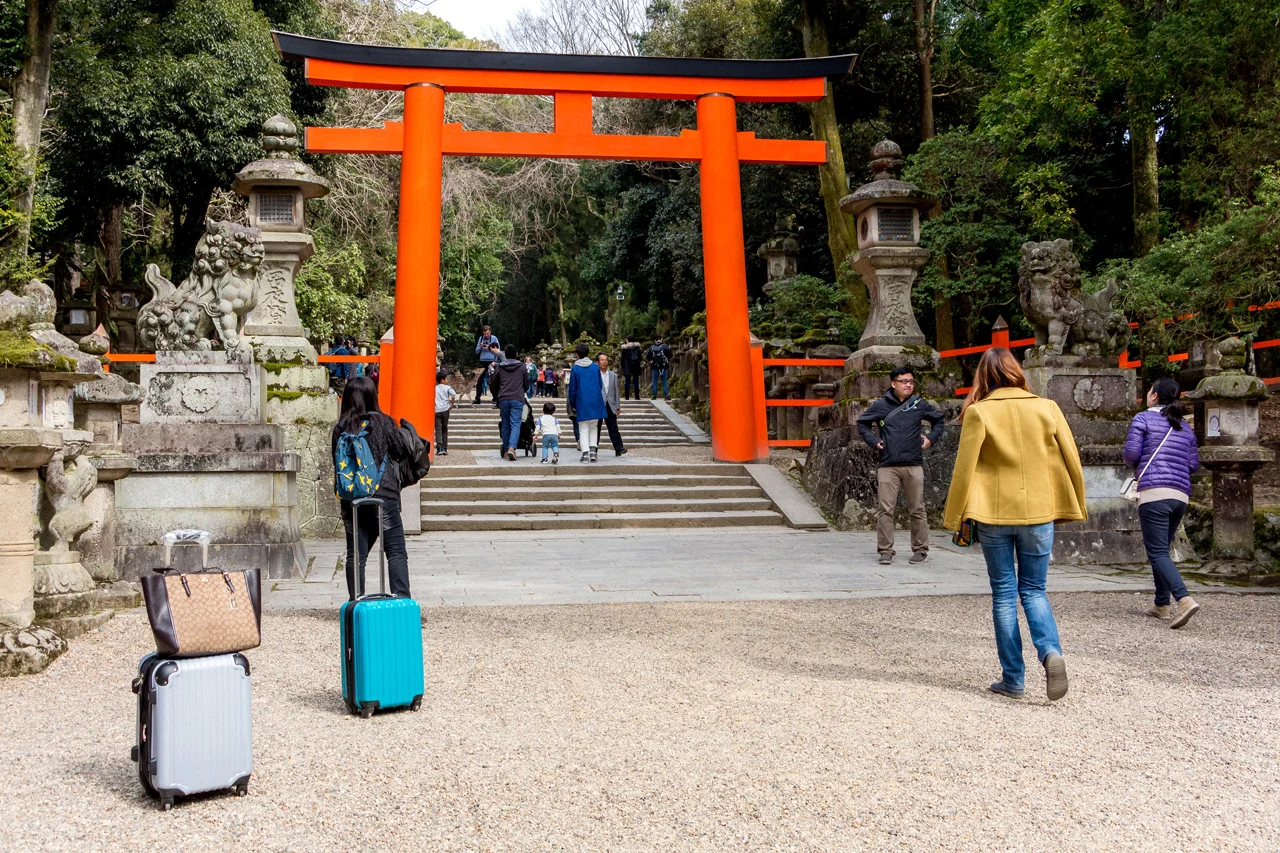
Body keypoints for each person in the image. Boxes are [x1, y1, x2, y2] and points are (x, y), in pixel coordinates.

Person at [943, 347, 1085, 702]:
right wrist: (1075, 502)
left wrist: (954, 516)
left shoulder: (979, 412)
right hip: (1039, 512)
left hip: (994, 513)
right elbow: (1071, 456)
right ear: (1015, 371)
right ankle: (1051, 652)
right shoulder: (1046, 407)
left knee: (1004, 594)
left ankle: (1013, 679)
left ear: (984, 377)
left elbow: (964, 469)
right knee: (1034, 589)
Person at [1124, 377, 1202, 629]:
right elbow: (1192, 464)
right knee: (1162, 550)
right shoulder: (1185, 427)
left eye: (1149, 390)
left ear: (1154, 396)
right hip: (1180, 495)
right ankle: (1161, 604)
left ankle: (1184, 599)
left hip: (1154, 493)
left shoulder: (1143, 419)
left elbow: (1131, 455)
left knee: (1157, 551)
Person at [331, 377, 412, 599]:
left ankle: (356, 603)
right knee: (395, 551)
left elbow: (338, 464)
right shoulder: (383, 422)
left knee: (355, 556)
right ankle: (401, 601)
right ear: (372, 396)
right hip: (384, 494)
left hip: (351, 499)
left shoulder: (340, 428)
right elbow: (398, 451)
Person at [856, 367, 945, 565]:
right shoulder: (880, 405)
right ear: (893, 383)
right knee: (885, 509)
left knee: (917, 509)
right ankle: (885, 550)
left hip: (914, 463)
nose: (908, 385)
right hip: (888, 464)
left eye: (911, 382)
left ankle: (920, 549)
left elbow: (939, 420)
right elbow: (862, 423)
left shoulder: (919, 405)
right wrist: (873, 440)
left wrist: (930, 438)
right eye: (904, 381)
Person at [566, 342, 606, 462]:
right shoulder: (595, 367)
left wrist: (572, 404)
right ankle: (593, 451)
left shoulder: (575, 369)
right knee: (594, 427)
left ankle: (585, 453)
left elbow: (572, 389)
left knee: (583, 428)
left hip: (581, 401)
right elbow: (600, 384)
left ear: (577, 354)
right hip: (595, 400)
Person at [491, 344, 528, 461]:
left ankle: (507, 449)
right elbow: (526, 383)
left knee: (505, 423)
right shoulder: (522, 367)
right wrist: (522, 391)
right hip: (517, 398)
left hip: (503, 398)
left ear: (505, 355)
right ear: (516, 355)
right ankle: (512, 447)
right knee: (516, 423)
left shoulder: (500, 367)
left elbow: (493, 383)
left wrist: (496, 395)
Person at [598, 353, 627, 456]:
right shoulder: (595, 375)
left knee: (613, 427)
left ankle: (619, 448)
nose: (604, 362)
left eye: (606, 360)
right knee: (597, 427)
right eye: (602, 360)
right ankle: (594, 448)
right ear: (598, 362)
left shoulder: (613, 375)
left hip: (610, 404)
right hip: (599, 404)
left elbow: (616, 391)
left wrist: (618, 406)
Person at [433, 370, 457, 457]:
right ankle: (445, 448)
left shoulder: (434, 388)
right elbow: (453, 395)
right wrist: (451, 404)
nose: (447, 380)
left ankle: (439, 448)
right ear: (442, 380)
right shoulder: (447, 388)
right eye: (446, 379)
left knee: (438, 429)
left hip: (436, 410)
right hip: (445, 410)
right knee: (444, 429)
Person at [474, 325, 500, 403]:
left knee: (493, 379)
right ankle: (477, 398)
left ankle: (495, 397)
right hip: (482, 361)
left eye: (487, 333)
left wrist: (489, 347)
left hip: (491, 361)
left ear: (490, 332)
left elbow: (498, 350)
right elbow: (476, 351)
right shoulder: (481, 338)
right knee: (479, 380)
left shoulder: (494, 338)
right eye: (484, 334)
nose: (486, 335)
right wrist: (481, 346)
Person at [647, 335, 673, 400]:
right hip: (664, 366)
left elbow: (648, 357)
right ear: (661, 339)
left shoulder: (651, 347)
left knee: (655, 380)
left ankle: (654, 395)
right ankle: (666, 395)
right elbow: (670, 355)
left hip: (655, 366)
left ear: (655, 340)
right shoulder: (665, 346)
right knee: (664, 380)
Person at [619, 336, 643, 400]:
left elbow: (622, 359)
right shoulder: (638, 348)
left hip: (627, 366)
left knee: (627, 381)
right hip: (636, 365)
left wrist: (622, 366)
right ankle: (637, 396)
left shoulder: (624, 349)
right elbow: (640, 358)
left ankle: (627, 397)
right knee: (636, 381)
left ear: (628, 340)